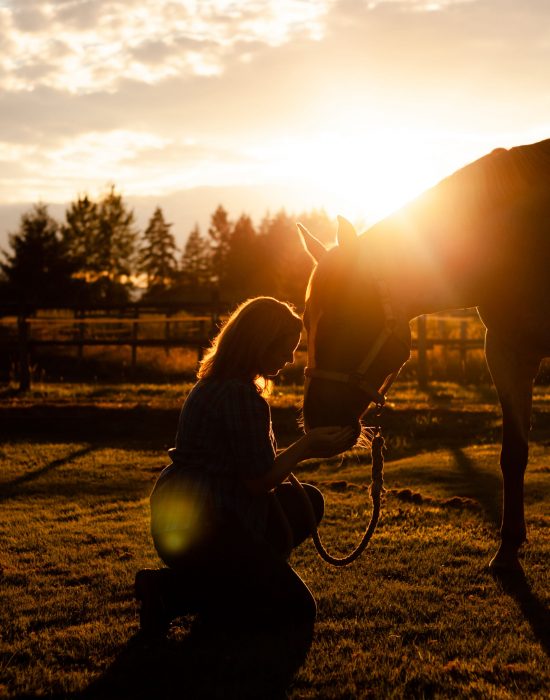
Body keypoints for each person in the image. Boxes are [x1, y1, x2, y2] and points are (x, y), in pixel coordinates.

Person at [135, 296, 354, 640]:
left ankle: (233, 579)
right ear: (259, 344)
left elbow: (247, 460)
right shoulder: (241, 396)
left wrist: (305, 449)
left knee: (306, 502)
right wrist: (308, 445)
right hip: (210, 522)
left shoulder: (213, 385)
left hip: (189, 514)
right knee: (298, 608)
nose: (290, 359)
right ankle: (170, 590)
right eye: (284, 348)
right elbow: (257, 481)